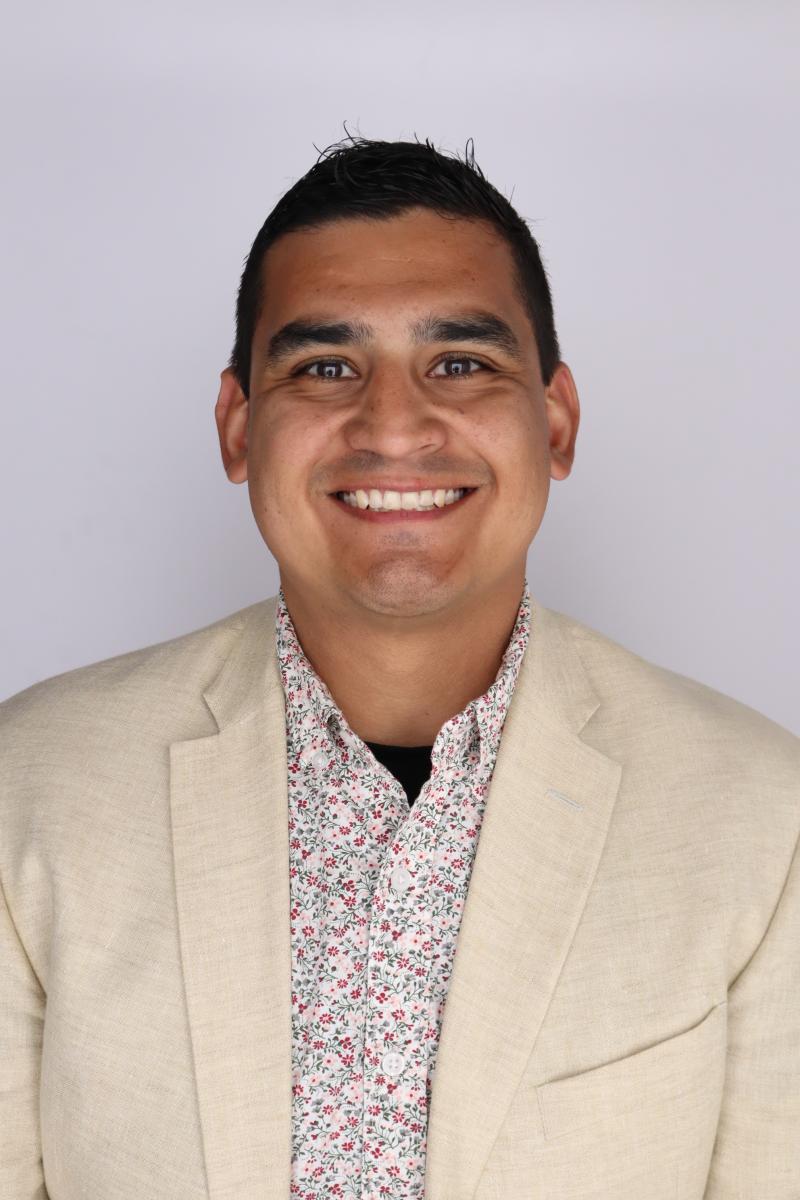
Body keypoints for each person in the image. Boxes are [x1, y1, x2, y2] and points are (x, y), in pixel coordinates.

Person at [1, 135, 797, 1200]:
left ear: (555, 421)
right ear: (238, 427)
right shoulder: (33, 787)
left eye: (460, 363)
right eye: (324, 367)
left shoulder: (759, 817)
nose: (391, 425)